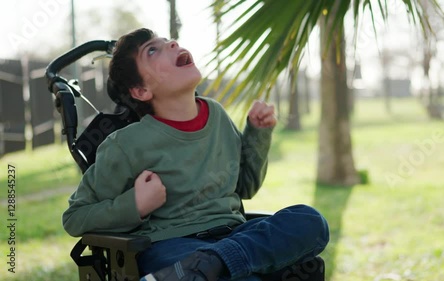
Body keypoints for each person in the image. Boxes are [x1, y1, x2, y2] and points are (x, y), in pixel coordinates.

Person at [62, 28, 329, 281]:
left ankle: (212, 264)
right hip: (172, 247)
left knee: (310, 221)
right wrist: (135, 205)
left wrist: (258, 133)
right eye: (152, 51)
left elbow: (245, 187)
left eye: (167, 41)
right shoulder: (126, 145)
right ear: (141, 91)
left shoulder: (217, 115)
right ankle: (217, 266)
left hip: (233, 234)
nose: (172, 44)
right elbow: (75, 217)